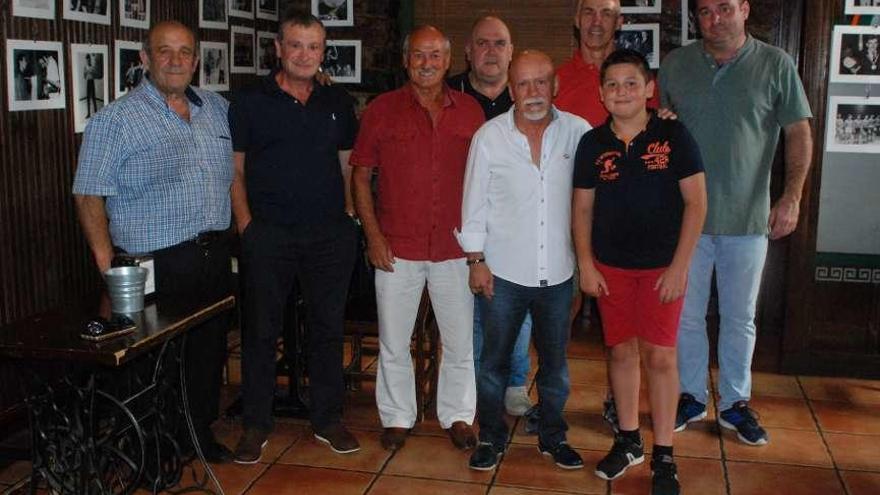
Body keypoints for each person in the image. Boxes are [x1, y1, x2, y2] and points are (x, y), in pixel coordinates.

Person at [72, 20, 235, 464]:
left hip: (212, 253)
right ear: (144, 59)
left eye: (185, 52)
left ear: (197, 61)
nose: (176, 60)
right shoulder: (115, 121)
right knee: (153, 362)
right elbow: (88, 195)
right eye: (165, 51)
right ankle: (149, 450)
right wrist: (111, 271)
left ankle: (197, 435)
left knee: (206, 353)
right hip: (152, 260)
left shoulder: (217, 109)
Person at [660, 0, 813, 446]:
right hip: (686, 219)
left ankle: (734, 403)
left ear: (744, 10)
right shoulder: (676, 65)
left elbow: (798, 132)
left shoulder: (775, 64)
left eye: (725, 8)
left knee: (739, 317)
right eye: (705, 12)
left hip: (748, 218)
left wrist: (792, 196)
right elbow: (659, 133)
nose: (715, 19)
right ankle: (690, 395)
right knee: (685, 317)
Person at [572, 49, 707, 495]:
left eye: (631, 83)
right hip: (610, 268)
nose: (621, 92)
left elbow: (696, 203)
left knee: (661, 357)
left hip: (662, 269)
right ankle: (628, 439)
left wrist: (680, 265)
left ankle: (664, 454)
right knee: (621, 352)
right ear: (601, 93)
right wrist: (586, 264)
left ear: (649, 88)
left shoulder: (674, 135)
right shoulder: (592, 143)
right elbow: (582, 209)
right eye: (612, 84)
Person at [228, 10, 360, 464]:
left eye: (314, 46)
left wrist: (348, 214)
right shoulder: (249, 102)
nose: (305, 54)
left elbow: (348, 165)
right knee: (261, 332)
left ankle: (327, 419)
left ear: (324, 52)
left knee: (327, 330)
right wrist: (246, 225)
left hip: (329, 236)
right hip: (268, 235)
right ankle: (256, 424)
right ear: (279, 49)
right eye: (296, 45)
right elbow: (235, 170)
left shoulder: (337, 102)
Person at [351, 25, 484, 452]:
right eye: (418, 56)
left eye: (435, 56)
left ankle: (458, 415)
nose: (426, 63)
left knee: (459, 340)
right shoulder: (381, 109)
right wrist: (372, 235)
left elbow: (486, 181)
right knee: (393, 340)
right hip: (396, 246)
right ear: (406, 60)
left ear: (449, 61)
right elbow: (360, 174)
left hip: (454, 247)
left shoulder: (471, 112)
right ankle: (397, 416)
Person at [461, 50, 591, 471]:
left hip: (557, 273)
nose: (533, 92)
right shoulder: (489, 137)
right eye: (523, 84)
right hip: (503, 273)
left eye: (541, 82)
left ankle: (553, 436)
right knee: (494, 364)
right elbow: (473, 203)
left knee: (556, 367)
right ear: (511, 89)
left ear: (555, 86)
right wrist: (476, 260)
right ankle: (491, 438)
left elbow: (605, 182)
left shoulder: (579, 133)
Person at [446, 15, 533, 417]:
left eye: (500, 43)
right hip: (461, 224)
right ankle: (478, 386)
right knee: (472, 314)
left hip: (516, 225)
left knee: (517, 307)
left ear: (511, 52)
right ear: (468, 52)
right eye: (483, 43)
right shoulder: (448, 97)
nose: (492, 51)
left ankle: (515, 382)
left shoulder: (527, 100)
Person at [556, 0, 659, 128]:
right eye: (589, 13)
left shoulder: (639, 78)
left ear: (618, 22)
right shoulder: (557, 81)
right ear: (577, 20)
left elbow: (655, 131)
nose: (596, 22)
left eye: (606, 14)